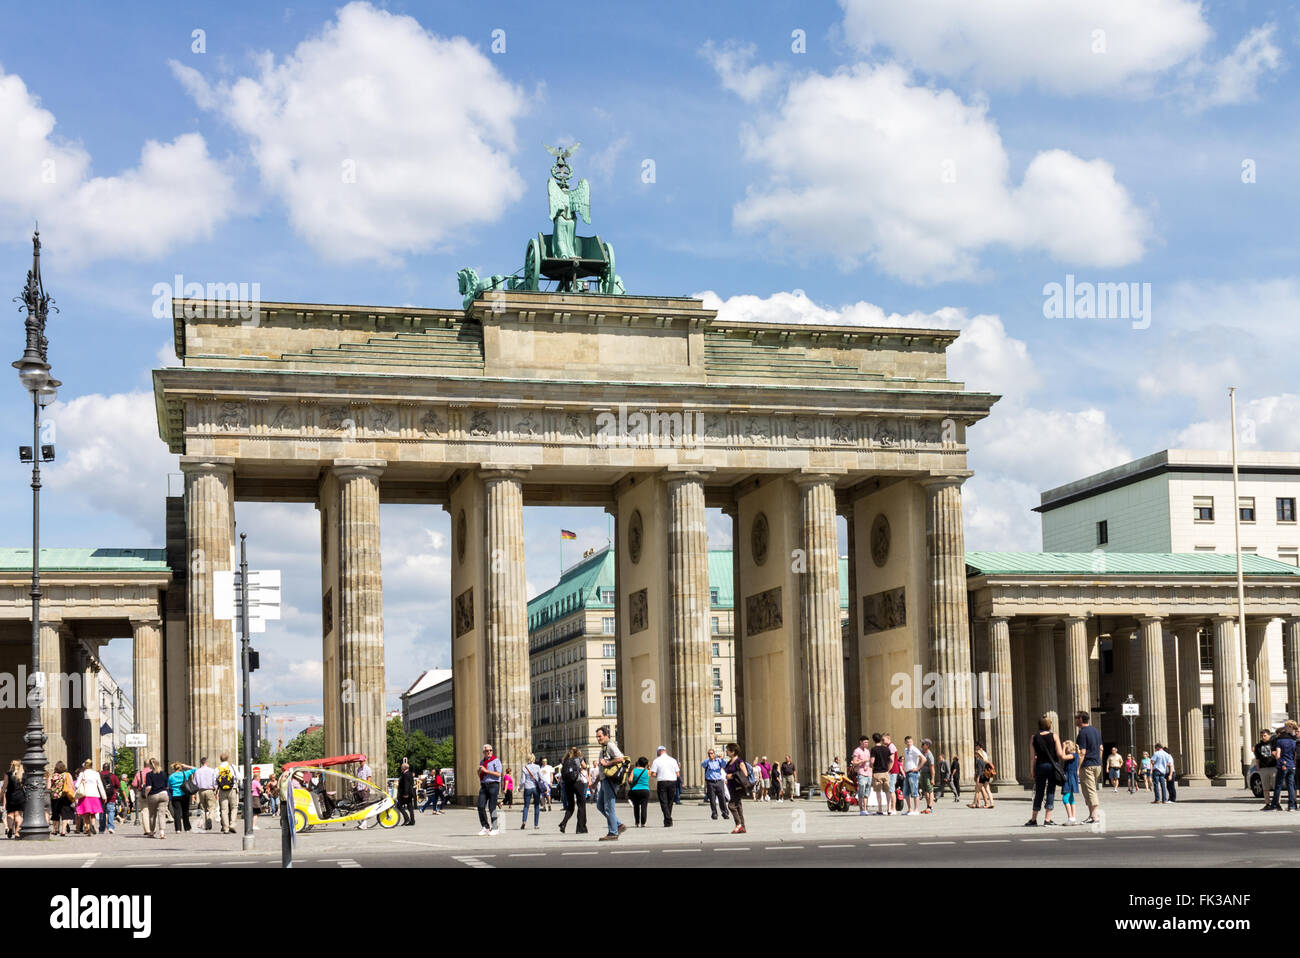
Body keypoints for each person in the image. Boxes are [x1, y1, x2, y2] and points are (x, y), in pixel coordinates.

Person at [1025, 715, 1065, 827]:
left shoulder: (1034, 737)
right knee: (1051, 791)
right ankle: (1047, 819)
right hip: (1052, 766)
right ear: (1049, 725)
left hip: (1040, 766)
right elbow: (1060, 754)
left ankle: (1033, 819)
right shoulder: (1054, 736)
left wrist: (1032, 770)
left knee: (1039, 792)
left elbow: (1032, 757)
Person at [594, 724, 626, 841]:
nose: (598, 739)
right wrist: (595, 782)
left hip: (610, 781)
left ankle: (613, 832)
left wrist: (607, 763)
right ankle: (618, 824)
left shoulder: (611, 745)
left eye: (600, 736)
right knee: (600, 805)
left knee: (608, 807)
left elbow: (621, 758)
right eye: (597, 737)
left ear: (606, 735)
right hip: (603, 780)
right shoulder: (604, 748)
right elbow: (602, 768)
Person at [1074, 711, 1103, 825]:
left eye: (1076, 718)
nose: (1075, 720)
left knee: (1090, 791)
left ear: (1081, 719)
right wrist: (1099, 761)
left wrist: (1077, 767)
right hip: (1097, 764)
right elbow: (1101, 748)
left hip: (1088, 765)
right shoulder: (1096, 731)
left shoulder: (1082, 733)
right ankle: (1091, 816)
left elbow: (1082, 752)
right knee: (1088, 790)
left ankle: (1095, 817)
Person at [1269, 719, 1298, 812]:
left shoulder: (1280, 740)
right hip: (1291, 764)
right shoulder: (1294, 740)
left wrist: (1280, 761)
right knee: (1291, 786)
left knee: (1278, 785)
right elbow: (1295, 754)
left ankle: (1275, 805)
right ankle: (1292, 806)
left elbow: (1277, 754)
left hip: (1283, 764)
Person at [648, 745, 680, 826]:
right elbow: (678, 774)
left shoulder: (656, 761)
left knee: (663, 801)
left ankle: (668, 818)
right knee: (670, 801)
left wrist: (658, 774)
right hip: (672, 781)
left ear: (659, 752)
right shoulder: (673, 760)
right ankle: (668, 819)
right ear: (665, 751)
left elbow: (653, 774)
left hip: (662, 781)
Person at [558, 746, 587, 834]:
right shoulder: (579, 759)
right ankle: (580, 828)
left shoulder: (565, 760)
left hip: (567, 784)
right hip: (577, 783)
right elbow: (585, 767)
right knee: (581, 805)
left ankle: (563, 823)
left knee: (570, 806)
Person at [73, 760, 106, 835]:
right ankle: (93, 825)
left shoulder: (82, 773)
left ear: (85, 765)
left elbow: (76, 785)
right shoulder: (96, 773)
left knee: (86, 813)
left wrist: (82, 783)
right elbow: (100, 785)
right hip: (95, 795)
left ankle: (87, 828)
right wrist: (104, 796)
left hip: (85, 795)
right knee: (93, 813)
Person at [477, 744, 502, 836]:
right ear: (484, 752)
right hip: (484, 785)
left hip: (493, 785)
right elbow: (480, 775)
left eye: (490, 750)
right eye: (487, 751)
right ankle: (485, 826)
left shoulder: (496, 761)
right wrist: (479, 771)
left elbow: (499, 774)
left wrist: (486, 771)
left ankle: (495, 827)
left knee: (492, 807)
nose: (489, 752)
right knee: (480, 805)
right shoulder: (482, 762)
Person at [723, 743, 749, 834]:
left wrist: (732, 776)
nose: (726, 751)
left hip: (738, 787)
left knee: (731, 805)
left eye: (727, 750)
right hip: (731, 787)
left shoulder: (739, 761)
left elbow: (745, 774)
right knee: (738, 807)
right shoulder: (729, 762)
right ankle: (743, 827)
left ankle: (739, 824)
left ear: (733, 751)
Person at [142, 758, 170, 840]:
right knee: (162, 814)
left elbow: (149, 787)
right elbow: (166, 786)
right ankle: (162, 832)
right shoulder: (164, 774)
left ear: (151, 765)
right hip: (164, 794)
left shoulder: (149, 775)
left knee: (152, 814)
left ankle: (152, 832)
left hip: (153, 795)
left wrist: (146, 795)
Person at [47, 761, 75, 836]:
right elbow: (72, 785)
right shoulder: (67, 775)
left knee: (55, 814)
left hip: (54, 797)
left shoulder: (52, 776)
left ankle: (55, 830)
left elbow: (48, 787)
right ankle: (63, 831)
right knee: (65, 814)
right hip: (64, 796)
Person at [191, 756, 218, 830]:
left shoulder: (197, 771)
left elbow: (194, 784)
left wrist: (194, 795)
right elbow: (215, 782)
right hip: (210, 790)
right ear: (206, 762)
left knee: (203, 808)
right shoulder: (212, 770)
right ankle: (209, 819)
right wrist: (216, 791)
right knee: (212, 807)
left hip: (201, 791)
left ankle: (207, 824)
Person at [702, 747, 729, 820]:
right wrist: (710, 759)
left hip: (719, 781)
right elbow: (703, 764)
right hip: (710, 782)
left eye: (711, 753)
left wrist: (721, 758)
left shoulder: (719, 761)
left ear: (714, 754)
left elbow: (724, 765)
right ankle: (714, 813)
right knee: (712, 799)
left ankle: (724, 812)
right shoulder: (707, 762)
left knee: (722, 798)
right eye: (709, 753)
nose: (710, 755)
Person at [216, 754, 240, 834]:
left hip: (222, 790)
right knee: (234, 807)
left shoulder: (217, 768)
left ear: (220, 759)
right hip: (232, 789)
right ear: (228, 758)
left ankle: (225, 828)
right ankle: (232, 824)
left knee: (223, 810)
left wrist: (216, 789)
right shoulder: (232, 767)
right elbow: (239, 777)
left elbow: (214, 781)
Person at [168, 762, 196, 832]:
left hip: (175, 795)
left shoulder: (171, 776)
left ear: (174, 768)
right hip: (184, 794)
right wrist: (186, 766)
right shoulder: (185, 773)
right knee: (185, 811)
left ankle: (178, 829)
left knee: (177, 812)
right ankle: (187, 828)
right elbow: (195, 769)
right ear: (180, 768)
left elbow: (169, 786)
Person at [869, 732, 892, 815]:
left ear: (873, 740)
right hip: (886, 772)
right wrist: (888, 769)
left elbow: (872, 761)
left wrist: (871, 767)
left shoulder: (874, 749)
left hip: (877, 772)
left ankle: (880, 809)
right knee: (887, 791)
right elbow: (891, 760)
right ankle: (889, 809)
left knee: (878, 791)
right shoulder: (886, 749)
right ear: (881, 739)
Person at [850, 735, 873, 817]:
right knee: (861, 791)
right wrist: (863, 761)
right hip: (861, 772)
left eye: (867, 742)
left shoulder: (867, 751)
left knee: (867, 791)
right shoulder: (857, 751)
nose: (866, 744)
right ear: (861, 742)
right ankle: (861, 809)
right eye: (865, 742)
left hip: (869, 772)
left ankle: (866, 809)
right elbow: (854, 762)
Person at [520, 753, 544, 830]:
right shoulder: (537, 767)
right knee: (536, 806)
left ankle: (524, 821)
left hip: (527, 787)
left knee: (526, 806)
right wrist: (546, 784)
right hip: (536, 788)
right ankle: (536, 825)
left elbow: (523, 781)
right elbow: (541, 777)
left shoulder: (525, 768)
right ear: (533, 759)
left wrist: (520, 788)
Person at [1256, 729, 1278, 810]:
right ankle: (1267, 804)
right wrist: (1258, 767)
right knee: (1265, 788)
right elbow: (1257, 758)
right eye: (1261, 736)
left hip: (1273, 767)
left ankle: (1277, 803)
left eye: (1265, 735)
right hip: (1263, 768)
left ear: (1269, 735)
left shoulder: (1273, 744)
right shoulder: (1258, 746)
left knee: (1276, 787)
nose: (1263, 737)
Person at [1060, 740, 1080, 825]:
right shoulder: (1075, 755)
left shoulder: (1073, 755)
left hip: (1069, 778)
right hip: (1071, 777)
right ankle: (1073, 818)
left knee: (1065, 798)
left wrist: (1063, 747)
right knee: (1071, 798)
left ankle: (1070, 818)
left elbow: (1063, 757)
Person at [902, 736, 923, 815]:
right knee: (906, 792)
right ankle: (910, 809)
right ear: (905, 742)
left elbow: (923, 758)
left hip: (913, 772)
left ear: (912, 741)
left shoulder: (914, 749)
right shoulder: (906, 749)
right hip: (907, 772)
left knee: (914, 791)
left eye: (910, 741)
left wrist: (918, 768)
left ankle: (916, 809)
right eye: (907, 741)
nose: (909, 743)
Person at [628, 757, 651, 827]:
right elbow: (651, 774)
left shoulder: (634, 770)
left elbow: (630, 780)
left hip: (635, 790)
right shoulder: (647, 771)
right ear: (646, 764)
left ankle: (637, 823)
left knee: (636, 807)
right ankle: (643, 823)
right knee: (644, 807)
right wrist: (648, 766)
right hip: (645, 790)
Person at [98, 762, 120, 835]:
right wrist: (114, 789)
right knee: (111, 812)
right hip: (111, 797)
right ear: (109, 768)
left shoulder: (99, 775)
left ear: (102, 768)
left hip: (102, 797)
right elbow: (118, 785)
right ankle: (110, 827)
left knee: (102, 812)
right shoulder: (113, 776)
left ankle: (101, 828)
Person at [5, 760, 24, 838]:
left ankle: (10, 829)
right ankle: (17, 832)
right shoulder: (22, 774)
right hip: (20, 796)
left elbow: (4, 786)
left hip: (10, 796)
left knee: (10, 814)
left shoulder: (8, 774)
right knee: (18, 815)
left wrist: (1, 795)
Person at [396, 758, 416, 825]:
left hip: (406, 794)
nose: (401, 768)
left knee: (399, 806)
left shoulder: (406, 774)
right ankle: (412, 821)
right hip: (409, 793)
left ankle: (407, 818)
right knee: (410, 807)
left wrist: (406, 793)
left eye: (401, 767)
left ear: (403, 768)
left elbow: (406, 785)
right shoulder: (409, 773)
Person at [919, 739, 936, 813]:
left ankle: (930, 806)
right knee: (925, 790)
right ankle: (927, 806)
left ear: (927, 746)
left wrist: (932, 778)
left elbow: (932, 768)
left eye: (923, 744)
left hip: (928, 774)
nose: (921, 745)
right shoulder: (921, 751)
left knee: (930, 790)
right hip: (922, 773)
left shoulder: (930, 755)